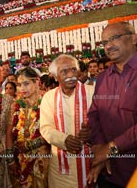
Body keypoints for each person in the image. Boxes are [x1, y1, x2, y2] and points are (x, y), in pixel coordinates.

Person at [87, 22, 137, 187]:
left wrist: (110, 149)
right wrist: (100, 149)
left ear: (134, 38)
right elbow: (93, 115)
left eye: (114, 38)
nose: (108, 46)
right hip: (107, 172)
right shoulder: (102, 78)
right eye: (104, 42)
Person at [40, 54, 94, 188]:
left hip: (91, 162)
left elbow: (106, 122)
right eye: (64, 71)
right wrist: (64, 140)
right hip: (60, 168)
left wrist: (93, 133)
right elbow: (46, 128)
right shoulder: (49, 97)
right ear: (55, 76)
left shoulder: (93, 92)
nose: (70, 74)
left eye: (73, 69)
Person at [6, 67, 50, 188]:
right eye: (19, 85)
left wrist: (31, 144)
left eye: (26, 83)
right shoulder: (15, 105)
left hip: (43, 159)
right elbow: (9, 133)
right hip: (19, 159)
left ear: (37, 82)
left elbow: (55, 131)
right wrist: (10, 159)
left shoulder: (47, 102)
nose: (22, 88)